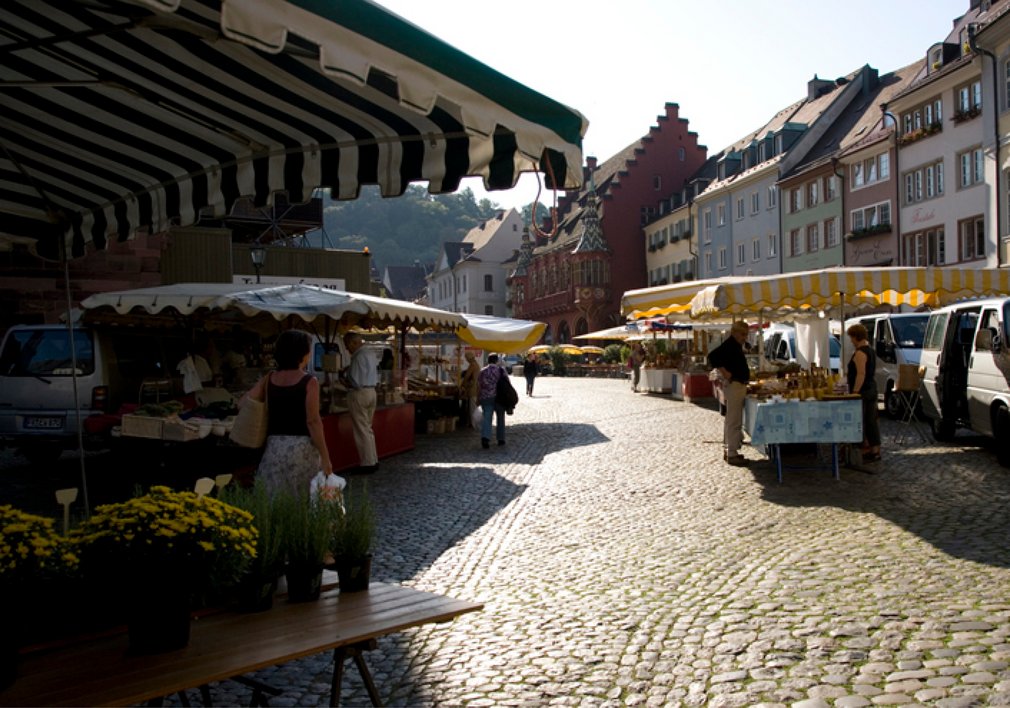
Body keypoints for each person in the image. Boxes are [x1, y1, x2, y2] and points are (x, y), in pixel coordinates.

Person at [243, 329, 333, 497]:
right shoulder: (309, 382)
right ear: (302, 353)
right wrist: (326, 457)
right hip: (302, 450)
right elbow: (313, 421)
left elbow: (243, 403)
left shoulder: (269, 378)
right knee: (301, 500)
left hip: (274, 448)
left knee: (273, 499)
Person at [707, 321, 751, 466]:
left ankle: (729, 449)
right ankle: (732, 452)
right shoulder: (730, 344)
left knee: (732, 419)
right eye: (743, 334)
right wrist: (725, 372)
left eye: (746, 334)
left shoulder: (735, 345)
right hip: (735, 385)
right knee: (734, 419)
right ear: (735, 332)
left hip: (737, 384)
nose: (745, 337)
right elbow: (713, 356)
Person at [343, 331, 378, 473]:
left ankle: (367, 463)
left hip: (360, 393)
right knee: (368, 428)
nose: (347, 349)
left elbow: (355, 380)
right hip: (372, 391)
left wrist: (344, 380)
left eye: (347, 345)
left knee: (361, 430)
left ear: (353, 343)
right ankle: (373, 459)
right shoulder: (370, 353)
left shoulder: (358, 356)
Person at [847, 322, 881, 462]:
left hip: (864, 391)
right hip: (871, 388)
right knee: (871, 420)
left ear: (856, 337)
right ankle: (874, 450)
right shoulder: (870, 350)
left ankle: (868, 449)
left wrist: (855, 391)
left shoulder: (861, 353)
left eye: (851, 337)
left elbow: (861, 374)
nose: (851, 341)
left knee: (864, 421)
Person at [477, 354, 507, 449]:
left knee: (487, 417)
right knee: (500, 418)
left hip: (486, 397)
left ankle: (485, 439)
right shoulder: (501, 371)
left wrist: (478, 398)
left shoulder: (483, 371)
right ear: (496, 361)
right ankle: (501, 439)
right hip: (500, 398)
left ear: (488, 361)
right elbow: (507, 384)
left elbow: (479, 385)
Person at [460, 351, 480, 428]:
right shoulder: (476, 364)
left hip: (472, 388)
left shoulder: (472, 365)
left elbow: (467, 377)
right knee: (473, 407)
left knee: (472, 407)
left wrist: (462, 385)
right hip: (475, 387)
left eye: (466, 358)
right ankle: (472, 423)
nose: (466, 359)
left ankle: (473, 423)